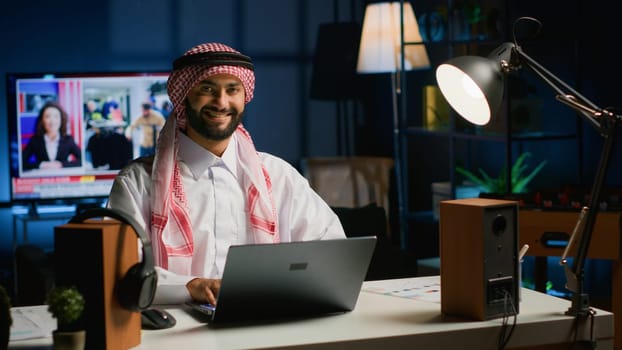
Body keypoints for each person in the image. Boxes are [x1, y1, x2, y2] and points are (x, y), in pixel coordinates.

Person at [108, 42, 346, 306]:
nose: (221, 102)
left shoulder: (278, 176)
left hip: (270, 325)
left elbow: (331, 249)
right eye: (207, 89)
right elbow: (122, 270)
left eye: (232, 90)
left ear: (245, 97)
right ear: (183, 96)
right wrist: (189, 287)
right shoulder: (136, 182)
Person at [22, 101, 82, 171]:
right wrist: (41, 165)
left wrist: (61, 164)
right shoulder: (35, 140)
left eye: (56, 117)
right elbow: (22, 162)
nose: (52, 121)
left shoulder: (68, 140)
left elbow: (81, 161)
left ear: (61, 120)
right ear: (42, 120)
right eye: (47, 117)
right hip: (41, 180)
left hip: (63, 180)